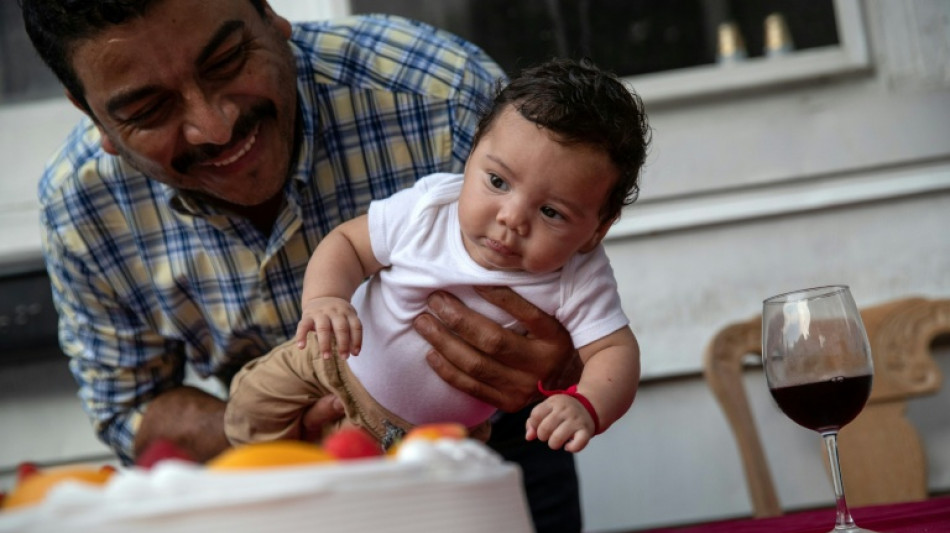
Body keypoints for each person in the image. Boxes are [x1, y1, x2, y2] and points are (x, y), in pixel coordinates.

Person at [20, 1, 604, 530]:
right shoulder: (82, 207)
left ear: (272, 18)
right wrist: (273, 435)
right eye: (149, 108)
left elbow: (577, 286)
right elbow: (131, 407)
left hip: (482, 446)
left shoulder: (443, 92)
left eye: (226, 61)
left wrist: (562, 367)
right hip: (253, 468)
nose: (215, 127)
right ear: (92, 114)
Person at [225, 58, 646, 455]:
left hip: (421, 438)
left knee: (357, 499)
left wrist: (587, 404)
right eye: (498, 181)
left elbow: (615, 352)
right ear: (471, 156)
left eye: (551, 212)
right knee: (250, 408)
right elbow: (348, 244)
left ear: (597, 230)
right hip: (330, 360)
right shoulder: (432, 207)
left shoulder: (579, 277)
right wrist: (326, 299)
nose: (512, 218)